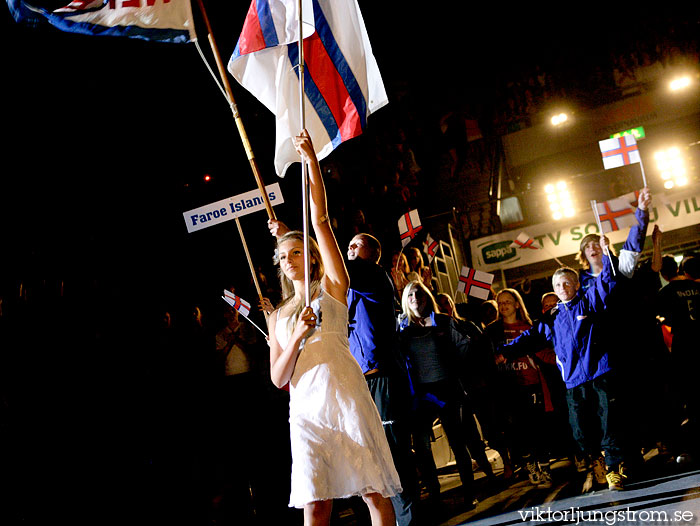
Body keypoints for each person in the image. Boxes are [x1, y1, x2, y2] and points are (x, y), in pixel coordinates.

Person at [266, 130, 400, 526]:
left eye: (296, 252)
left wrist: (310, 162)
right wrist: (295, 338)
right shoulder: (277, 316)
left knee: (371, 490)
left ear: (310, 257)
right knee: (315, 503)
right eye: (283, 256)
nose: (289, 260)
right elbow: (278, 378)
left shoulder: (332, 287)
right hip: (304, 408)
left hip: (342, 391)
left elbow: (319, 220)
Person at [500, 235, 629, 491]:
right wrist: (506, 352)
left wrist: (606, 255)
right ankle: (596, 460)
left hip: (600, 373)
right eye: (558, 284)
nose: (563, 288)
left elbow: (606, 280)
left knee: (608, 423)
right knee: (579, 431)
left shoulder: (590, 301)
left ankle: (615, 468)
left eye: (567, 283)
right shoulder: (552, 317)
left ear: (576, 285)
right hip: (573, 380)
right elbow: (531, 337)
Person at [398, 280, 491, 513]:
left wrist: (457, 370)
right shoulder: (400, 327)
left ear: (427, 297)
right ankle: (434, 496)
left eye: (419, 294)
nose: (415, 299)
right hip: (419, 395)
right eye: (410, 295)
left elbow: (464, 348)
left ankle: (470, 494)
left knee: (458, 443)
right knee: (421, 448)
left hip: (448, 390)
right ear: (404, 301)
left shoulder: (443, 321)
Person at [484, 289, 557, 488]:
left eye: (508, 301)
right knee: (518, 431)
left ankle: (545, 468)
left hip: (532, 382)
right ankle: (530, 465)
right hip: (508, 387)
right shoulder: (492, 331)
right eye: (500, 303)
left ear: (517, 304)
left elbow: (543, 353)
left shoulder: (530, 326)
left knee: (538, 428)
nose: (504, 305)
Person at [656, 253, 700, 463]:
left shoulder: (665, 293)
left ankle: (691, 448)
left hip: (685, 347)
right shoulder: (697, 287)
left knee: (690, 399)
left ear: (663, 272)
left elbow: (664, 320)